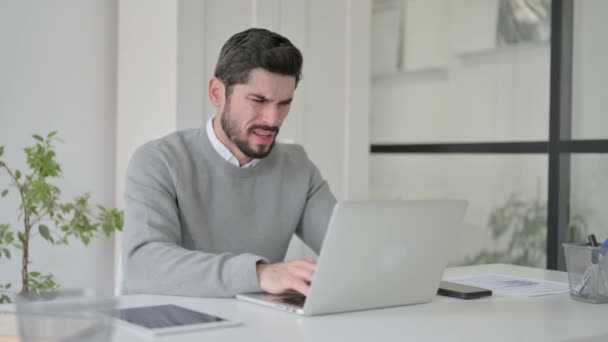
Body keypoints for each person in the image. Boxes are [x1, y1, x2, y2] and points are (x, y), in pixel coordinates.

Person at [122, 28, 337, 298]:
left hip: (253, 328)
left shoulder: (297, 167)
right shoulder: (159, 161)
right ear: (216, 93)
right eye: (258, 100)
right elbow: (142, 265)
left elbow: (345, 252)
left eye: (284, 103)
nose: (273, 119)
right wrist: (260, 274)